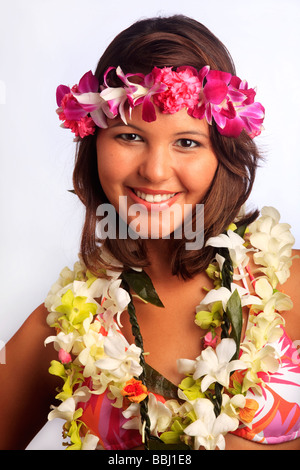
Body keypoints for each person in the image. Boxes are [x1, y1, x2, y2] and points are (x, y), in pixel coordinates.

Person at [1, 14, 300, 451]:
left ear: (223, 153)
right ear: (95, 143)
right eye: (129, 136)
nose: (155, 172)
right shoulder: (70, 327)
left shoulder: (288, 283)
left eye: (187, 142)